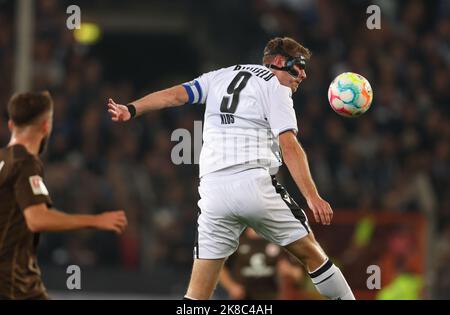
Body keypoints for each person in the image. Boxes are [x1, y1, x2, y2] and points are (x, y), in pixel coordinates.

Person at [108, 36, 355, 300]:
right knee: (312, 254)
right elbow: (289, 145)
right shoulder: (275, 86)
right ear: (280, 62)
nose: (303, 75)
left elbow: (173, 96)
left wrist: (132, 109)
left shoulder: (218, 76)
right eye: (299, 66)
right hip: (254, 185)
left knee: (197, 296)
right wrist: (311, 195)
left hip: (214, 193)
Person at [0, 91, 127, 300]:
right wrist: (95, 220)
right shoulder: (25, 164)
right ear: (46, 127)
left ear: (11, 125)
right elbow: (37, 219)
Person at [219, 227, 312, 300]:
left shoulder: (280, 239)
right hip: (243, 297)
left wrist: (289, 272)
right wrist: (231, 286)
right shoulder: (237, 239)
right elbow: (219, 268)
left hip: (272, 296)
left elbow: (298, 274)